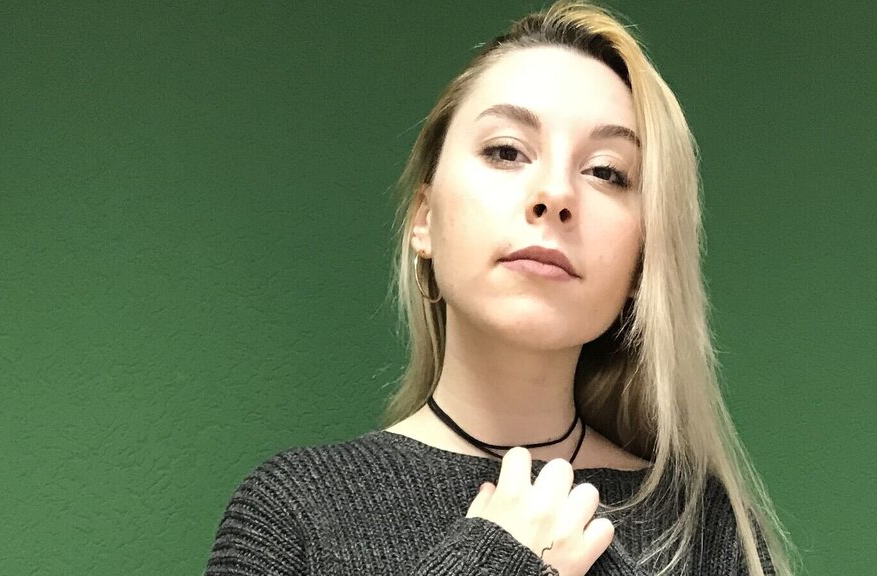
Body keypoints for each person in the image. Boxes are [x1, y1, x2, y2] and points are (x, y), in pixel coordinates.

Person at [204, 1, 796, 575]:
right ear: (424, 218)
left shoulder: (707, 533)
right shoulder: (292, 513)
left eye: (606, 172)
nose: (555, 194)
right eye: (507, 151)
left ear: (643, 259)